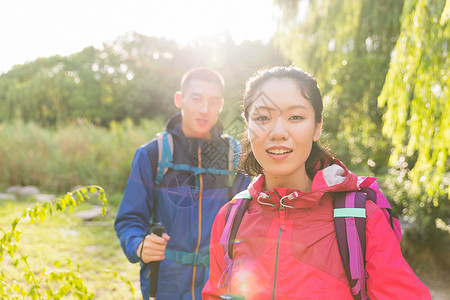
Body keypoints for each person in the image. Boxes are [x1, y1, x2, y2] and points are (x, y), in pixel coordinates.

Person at [202, 66, 431, 299]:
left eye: (295, 117)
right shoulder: (230, 218)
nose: (278, 132)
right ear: (247, 127)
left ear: (317, 127)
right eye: (262, 118)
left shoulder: (360, 218)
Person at [115, 67, 251, 300]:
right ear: (180, 99)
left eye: (213, 101)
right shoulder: (153, 154)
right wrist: (139, 245)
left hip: (218, 282)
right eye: (196, 99)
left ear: (221, 105)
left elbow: (250, 221)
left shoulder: (234, 156)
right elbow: (129, 219)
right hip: (165, 282)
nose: (204, 109)